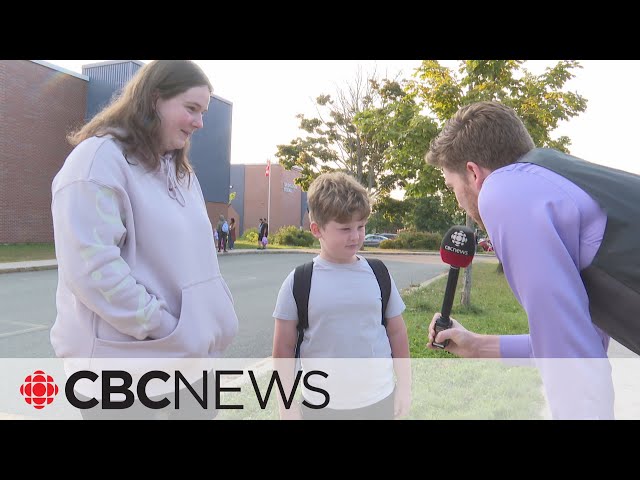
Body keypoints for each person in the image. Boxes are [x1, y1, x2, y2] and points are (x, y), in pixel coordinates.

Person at [425, 100, 640, 419]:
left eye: (451, 186)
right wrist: (476, 346)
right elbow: (577, 340)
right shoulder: (552, 177)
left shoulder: (504, 191)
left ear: (473, 173)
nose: (458, 202)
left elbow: (573, 364)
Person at [50, 60, 239, 420]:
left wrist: (200, 330)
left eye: (203, 112)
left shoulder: (180, 172)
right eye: (191, 108)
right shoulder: (95, 163)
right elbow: (93, 271)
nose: (200, 122)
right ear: (154, 100)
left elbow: (198, 261)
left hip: (190, 365)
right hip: (124, 375)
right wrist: (166, 327)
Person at [272, 172, 411, 420]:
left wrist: (405, 388)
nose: (356, 236)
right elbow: (283, 349)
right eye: (345, 228)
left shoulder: (378, 274)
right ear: (317, 229)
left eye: (361, 226)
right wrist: (286, 404)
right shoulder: (299, 282)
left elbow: (397, 333)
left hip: (379, 401)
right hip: (322, 407)